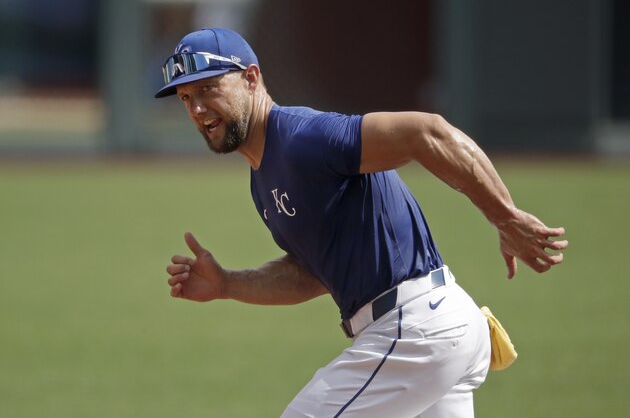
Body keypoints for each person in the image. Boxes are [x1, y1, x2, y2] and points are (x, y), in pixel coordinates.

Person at [157, 28, 568, 417]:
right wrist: (229, 283)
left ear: (250, 78)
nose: (196, 108)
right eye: (185, 97)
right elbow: (311, 275)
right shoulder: (262, 180)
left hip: (415, 329)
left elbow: (427, 132)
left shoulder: (303, 137)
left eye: (209, 88)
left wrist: (505, 217)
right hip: (433, 331)